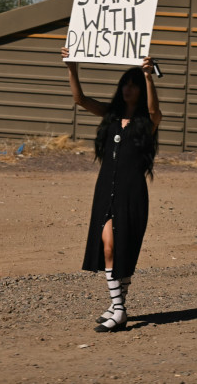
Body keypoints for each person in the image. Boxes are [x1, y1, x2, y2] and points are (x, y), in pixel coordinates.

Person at [61, 47, 161, 332]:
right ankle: (118, 308)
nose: (129, 89)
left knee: (122, 249)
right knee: (108, 245)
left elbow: (155, 112)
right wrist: (72, 67)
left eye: (134, 85)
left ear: (141, 90)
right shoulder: (111, 115)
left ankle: (118, 309)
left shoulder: (146, 123)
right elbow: (79, 99)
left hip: (132, 193)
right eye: (125, 84)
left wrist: (149, 77)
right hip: (105, 189)